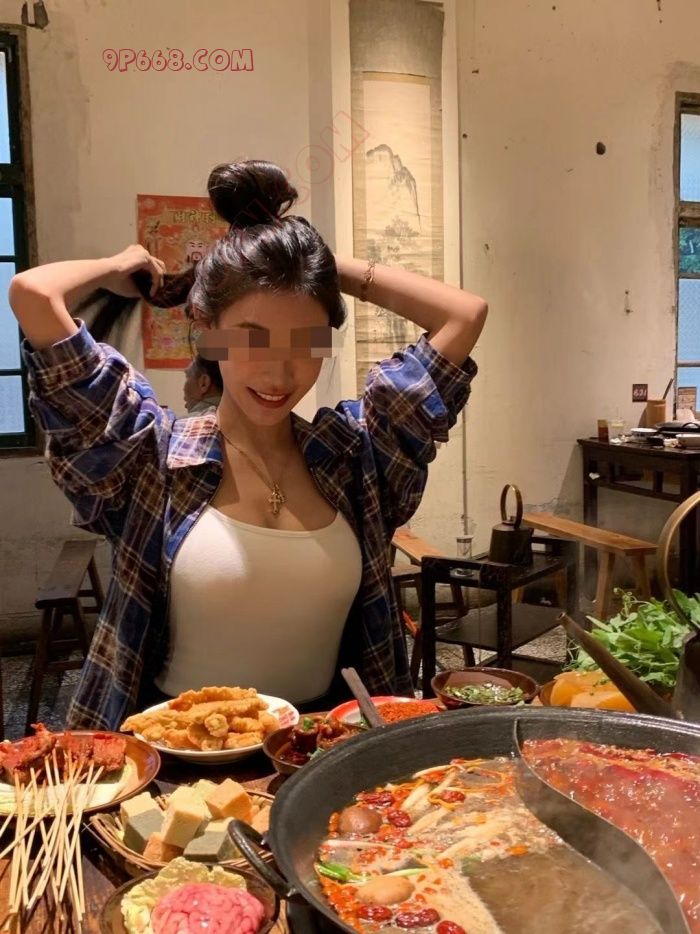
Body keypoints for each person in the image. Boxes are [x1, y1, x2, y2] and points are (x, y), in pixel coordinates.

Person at [9, 160, 488, 731]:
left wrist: (317, 264)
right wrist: (118, 266)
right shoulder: (149, 456)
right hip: (177, 760)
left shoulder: (357, 456)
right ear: (208, 331)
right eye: (252, 340)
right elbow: (33, 294)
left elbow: (464, 314)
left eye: (304, 343)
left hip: (325, 751)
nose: (279, 373)